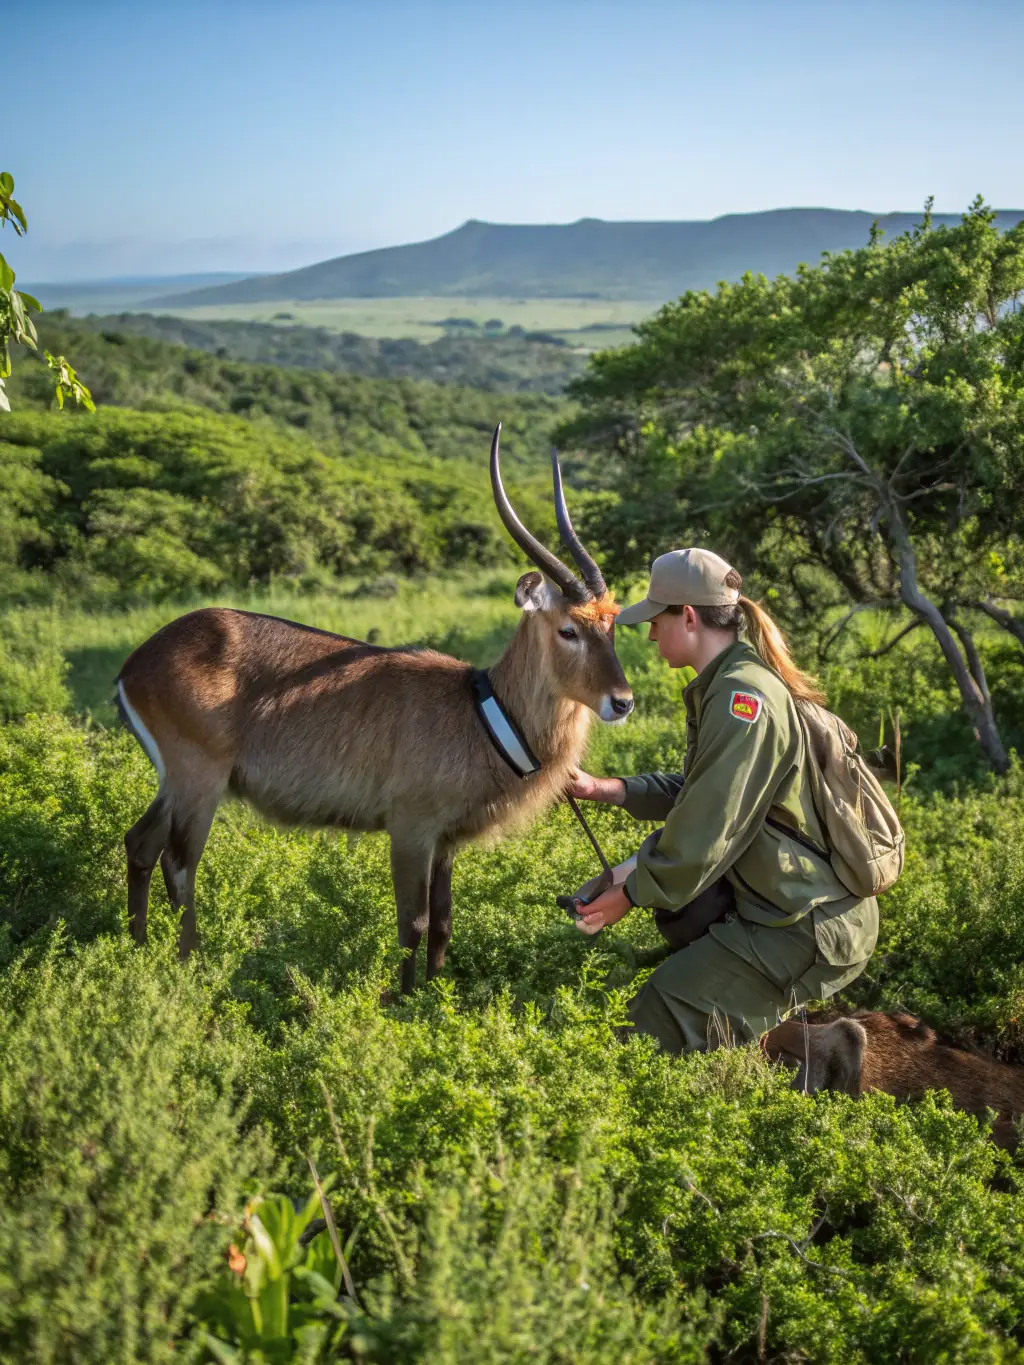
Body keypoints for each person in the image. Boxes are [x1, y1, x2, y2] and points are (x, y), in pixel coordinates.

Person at [569, 548, 878, 1054]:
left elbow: (708, 828)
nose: (649, 635)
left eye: (655, 621)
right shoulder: (734, 683)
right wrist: (606, 788)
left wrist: (627, 894)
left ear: (688, 617)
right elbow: (708, 791)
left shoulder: (742, 699)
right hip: (786, 906)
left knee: (650, 1020)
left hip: (806, 924)